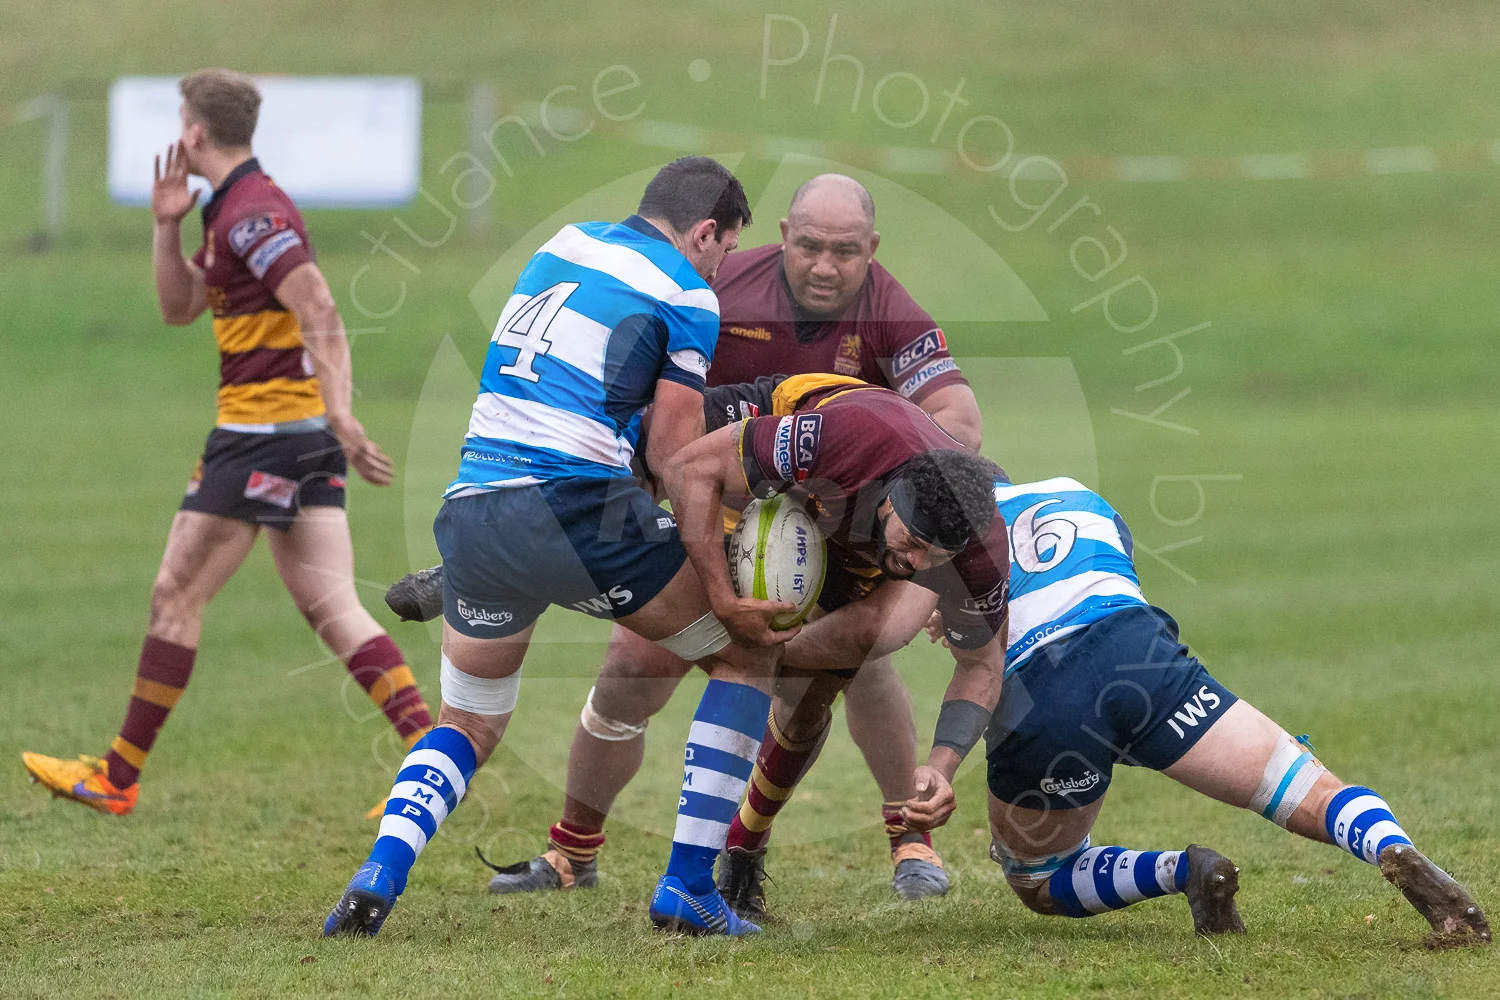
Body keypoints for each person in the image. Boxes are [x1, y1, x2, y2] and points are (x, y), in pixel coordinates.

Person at [715, 461, 1491, 947]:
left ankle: (1183, 869)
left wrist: (775, 645)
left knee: (1038, 877)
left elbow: (907, 635)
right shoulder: (1073, 492)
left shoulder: (953, 549)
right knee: (1300, 786)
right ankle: (1395, 853)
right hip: (1140, 652)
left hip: (1042, 697)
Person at [323, 156, 800, 939]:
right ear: (705, 231)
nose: (722, 265)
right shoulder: (687, 293)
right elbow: (675, 458)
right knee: (747, 654)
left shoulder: (564, 244)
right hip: (576, 507)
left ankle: (382, 870)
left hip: (475, 504)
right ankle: (688, 888)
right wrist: (722, 586)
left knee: (468, 724)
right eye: (724, 248)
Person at [475, 174, 982, 901]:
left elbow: (960, 426)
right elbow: (652, 415)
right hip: (716, 504)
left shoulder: (893, 316)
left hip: (838, 529)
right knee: (631, 666)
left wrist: (891, 497)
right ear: (784, 235)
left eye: (845, 251)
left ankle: (910, 837)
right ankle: (572, 851)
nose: (825, 266)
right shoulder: (720, 288)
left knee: (860, 660)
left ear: (872, 248)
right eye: (810, 246)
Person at [21, 68, 433, 817]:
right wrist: (165, 224)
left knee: (175, 594)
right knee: (334, 607)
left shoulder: (253, 214)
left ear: (194, 131)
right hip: (294, 438)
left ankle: (116, 777)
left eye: (180, 120)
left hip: (260, 438)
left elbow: (319, 306)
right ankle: (432, 762)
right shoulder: (227, 209)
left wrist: (342, 414)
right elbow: (179, 308)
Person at [658, 375, 1012, 919]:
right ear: (890, 502)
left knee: (812, 695)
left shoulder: (980, 551)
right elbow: (688, 468)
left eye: (936, 558)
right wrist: (724, 601)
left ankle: (742, 848)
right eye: (914, 542)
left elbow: (983, 667)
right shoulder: (845, 439)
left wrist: (942, 766)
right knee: (655, 458)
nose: (916, 563)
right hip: (804, 450)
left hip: (853, 540)